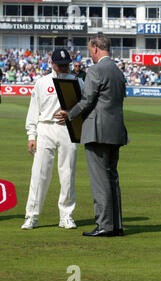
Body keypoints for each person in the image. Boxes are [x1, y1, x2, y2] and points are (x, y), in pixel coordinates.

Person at [55, 34, 128, 237]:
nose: (90, 52)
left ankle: (104, 225)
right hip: (116, 131)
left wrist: (69, 114)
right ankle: (116, 225)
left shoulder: (96, 70)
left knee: (100, 180)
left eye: (90, 48)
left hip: (97, 131)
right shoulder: (118, 71)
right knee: (112, 178)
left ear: (95, 48)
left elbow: (87, 101)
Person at [22, 48, 83, 230]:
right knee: (39, 173)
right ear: (52, 63)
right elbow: (34, 111)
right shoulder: (42, 83)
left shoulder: (77, 81)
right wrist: (31, 135)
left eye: (66, 65)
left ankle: (66, 216)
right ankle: (32, 216)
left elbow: (84, 106)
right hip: (46, 128)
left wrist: (70, 115)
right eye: (60, 65)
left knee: (67, 173)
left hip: (67, 129)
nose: (64, 68)